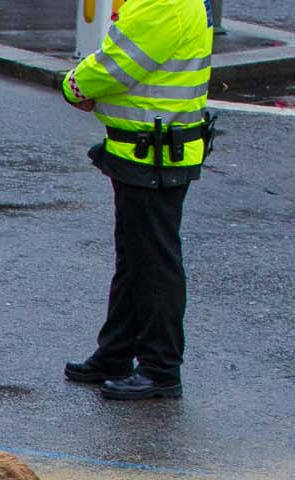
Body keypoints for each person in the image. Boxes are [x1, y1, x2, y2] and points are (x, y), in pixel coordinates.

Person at [59, 0, 213, 402]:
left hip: (155, 154)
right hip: (145, 150)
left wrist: (73, 84)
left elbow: (117, 64)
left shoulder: (163, 3)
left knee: (154, 264)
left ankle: (161, 368)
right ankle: (116, 353)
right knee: (135, 259)